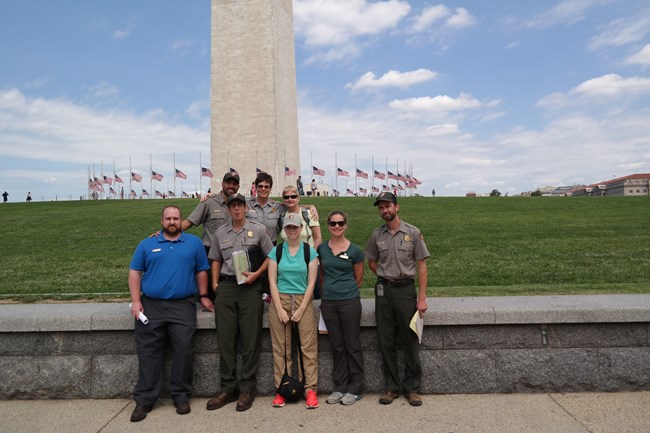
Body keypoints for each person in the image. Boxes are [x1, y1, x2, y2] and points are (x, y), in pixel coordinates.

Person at [128, 205, 211, 422]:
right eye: (168, 219)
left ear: (181, 220)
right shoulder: (148, 243)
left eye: (175, 218)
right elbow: (135, 271)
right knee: (148, 352)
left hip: (182, 304)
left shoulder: (193, 243)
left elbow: (202, 270)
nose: (172, 222)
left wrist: (203, 295)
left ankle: (181, 395)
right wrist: (136, 301)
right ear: (162, 221)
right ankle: (145, 399)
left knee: (183, 349)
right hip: (151, 305)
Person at [206, 193, 273, 412]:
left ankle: (247, 388)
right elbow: (215, 259)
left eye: (239, 206)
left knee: (250, 339)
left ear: (245, 208)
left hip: (250, 287)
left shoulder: (259, 230)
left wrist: (257, 275)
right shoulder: (220, 233)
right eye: (232, 206)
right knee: (225, 340)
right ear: (228, 210)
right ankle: (227, 388)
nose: (236, 210)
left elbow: (272, 257)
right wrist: (215, 284)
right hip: (226, 287)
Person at [365, 191, 429, 407]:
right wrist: (385, 274)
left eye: (388, 206)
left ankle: (412, 388)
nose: (385, 210)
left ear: (397, 207)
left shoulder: (413, 233)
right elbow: (372, 262)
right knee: (386, 340)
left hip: (405, 291)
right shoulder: (377, 235)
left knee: (410, 340)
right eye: (381, 208)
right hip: (384, 291)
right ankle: (391, 388)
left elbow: (421, 265)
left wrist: (422, 298)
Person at [267, 212, 319, 409]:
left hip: (302, 300)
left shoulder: (309, 252)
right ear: (284, 229)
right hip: (280, 299)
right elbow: (272, 281)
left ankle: (310, 389)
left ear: (301, 228)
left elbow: (311, 283)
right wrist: (279, 308)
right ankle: (283, 389)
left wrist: (301, 308)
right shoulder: (277, 251)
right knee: (281, 348)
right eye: (288, 227)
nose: (292, 230)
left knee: (307, 347)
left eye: (295, 227)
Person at [317, 211, 365, 406]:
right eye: (333, 223)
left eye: (340, 223)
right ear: (328, 225)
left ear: (346, 225)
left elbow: (359, 279)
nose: (336, 226)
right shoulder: (322, 249)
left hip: (349, 301)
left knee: (352, 344)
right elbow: (322, 274)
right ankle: (340, 387)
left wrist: (345, 290)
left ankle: (355, 388)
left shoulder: (355, 251)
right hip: (329, 302)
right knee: (336, 346)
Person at [182, 172, 240, 299]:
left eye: (234, 184)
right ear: (222, 184)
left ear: (238, 186)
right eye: (228, 183)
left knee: (230, 292)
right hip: (210, 255)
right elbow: (188, 222)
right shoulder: (209, 202)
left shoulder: (239, 205)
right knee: (208, 293)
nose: (231, 186)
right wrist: (164, 233)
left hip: (232, 254)